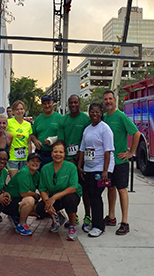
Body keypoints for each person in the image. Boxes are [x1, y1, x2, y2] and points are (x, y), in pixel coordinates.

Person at [103, 90, 141, 235]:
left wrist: (131, 152)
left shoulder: (121, 116)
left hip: (120, 160)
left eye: (110, 99)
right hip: (108, 162)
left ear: (115, 100)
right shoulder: (104, 117)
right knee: (110, 188)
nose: (108, 101)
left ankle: (124, 221)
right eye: (106, 99)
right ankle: (111, 216)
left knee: (122, 189)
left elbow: (136, 133)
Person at [78, 103, 115, 237]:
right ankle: (94, 222)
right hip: (88, 168)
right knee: (88, 194)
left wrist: (105, 171)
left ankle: (99, 226)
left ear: (101, 113)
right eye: (92, 112)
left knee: (95, 195)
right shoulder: (87, 129)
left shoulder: (105, 129)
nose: (94, 114)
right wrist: (80, 166)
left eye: (97, 112)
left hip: (101, 168)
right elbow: (82, 149)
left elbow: (108, 151)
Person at [58, 94, 91, 231]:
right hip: (68, 161)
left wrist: (80, 155)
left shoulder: (86, 119)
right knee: (71, 189)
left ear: (79, 103)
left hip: (84, 160)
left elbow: (90, 137)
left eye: (75, 102)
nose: (73, 105)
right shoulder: (63, 120)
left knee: (86, 190)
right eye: (70, 103)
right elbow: (61, 141)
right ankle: (73, 215)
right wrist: (65, 157)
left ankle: (88, 216)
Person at [36, 141, 81, 241]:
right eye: (55, 152)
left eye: (61, 152)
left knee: (70, 200)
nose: (58, 154)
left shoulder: (71, 167)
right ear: (51, 153)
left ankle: (72, 227)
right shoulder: (45, 168)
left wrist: (54, 197)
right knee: (40, 208)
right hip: (53, 198)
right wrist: (47, 202)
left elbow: (73, 187)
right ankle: (57, 218)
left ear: (64, 154)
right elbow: (42, 189)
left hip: (69, 195)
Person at [3, 153, 42, 236]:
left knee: (41, 209)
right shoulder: (24, 172)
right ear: (27, 163)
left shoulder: (36, 174)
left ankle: (15, 216)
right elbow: (24, 193)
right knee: (30, 200)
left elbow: (42, 188)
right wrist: (35, 194)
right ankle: (21, 224)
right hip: (10, 202)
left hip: (18, 200)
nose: (35, 163)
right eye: (32, 161)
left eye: (37, 161)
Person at [30, 95, 63, 167]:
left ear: (52, 103)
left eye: (49, 103)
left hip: (54, 155)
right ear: (41, 105)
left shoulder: (60, 118)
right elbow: (32, 134)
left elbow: (65, 134)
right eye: (44, 104)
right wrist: (35, 141)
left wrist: (53, 140)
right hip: (40, 154)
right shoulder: (38, 119)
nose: (47, 105)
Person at [6, 100, 33, 178]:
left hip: (24, 157)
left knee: (22, 180)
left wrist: (30, 157)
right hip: (12, 156)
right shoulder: (8, 122)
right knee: (15, 180)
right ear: (13, 111)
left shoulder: (28, 125)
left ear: (24, 110)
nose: (19, 111)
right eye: (17, 109)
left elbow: (29, 142)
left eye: (21, 109)